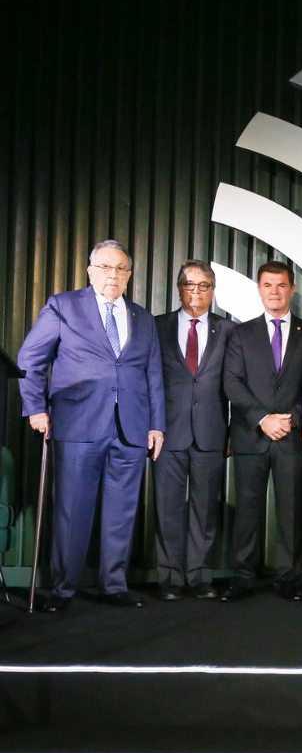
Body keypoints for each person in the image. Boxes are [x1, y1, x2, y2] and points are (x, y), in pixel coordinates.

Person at [17, 239, 165, 612]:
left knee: (122, 512)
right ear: (90, 270)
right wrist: (35, 407)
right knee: (72, 511)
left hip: (130, 428)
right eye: (104, 267)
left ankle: (113, 585)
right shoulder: (63, 305)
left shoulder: (143, 318)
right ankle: (63, 589)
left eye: (120, 269)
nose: (111, 275)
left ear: (129, 275)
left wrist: (156, 425)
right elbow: (30, 358)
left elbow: (153, 375)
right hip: (77, 423)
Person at [220, 261, 302, 603]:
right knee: (247, 510)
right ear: (259, 289)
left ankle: (288, 577)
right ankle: (243, 577)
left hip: (291, 435)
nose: (274, 291)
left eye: (281, 285)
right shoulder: (241, 334)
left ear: (291, 290)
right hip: (251, 435)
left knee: (291, 511)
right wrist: (263, 418)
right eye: (268, 285)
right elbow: (232, 381)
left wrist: (292, 418)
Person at [153, 261, 231, 601]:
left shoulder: (228, 330)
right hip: (167, 433)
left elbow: (234, 385)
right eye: (189, 285)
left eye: (203, 286)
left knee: (205, 510)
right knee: (167, 508)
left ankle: (200, 576)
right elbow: (148, 381)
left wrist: (230, 432)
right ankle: (169, 577)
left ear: (212, 291)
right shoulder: (157, 327)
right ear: (179, 288)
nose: (195, 292)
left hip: (212, 433)